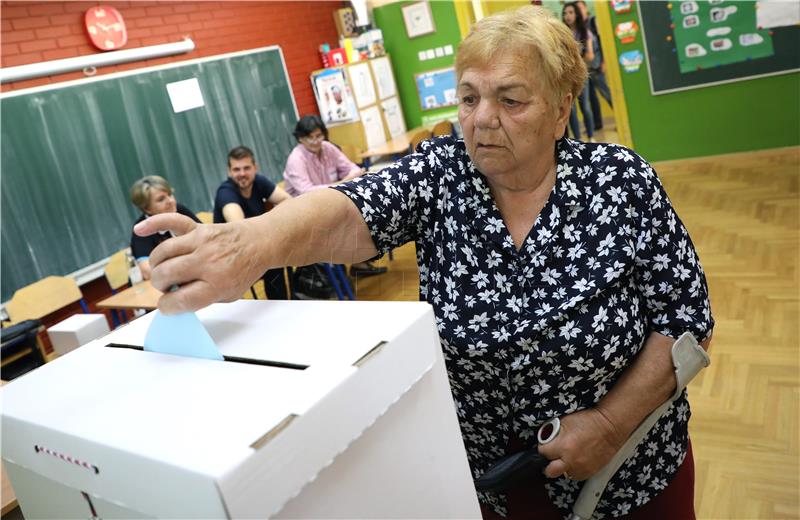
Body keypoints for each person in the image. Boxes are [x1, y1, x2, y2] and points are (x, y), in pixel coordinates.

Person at [137, 6, 713, 519]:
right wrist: (251, 243)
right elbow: (348, 210)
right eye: (468, 97)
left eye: (510, 100)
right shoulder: (442, 174)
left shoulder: (620, 182)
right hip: (494, 489)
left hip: (630, 480)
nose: (481, 118)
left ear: (562, 110)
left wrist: (610, 425)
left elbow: (686, 320)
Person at [283, 114, 386, 277]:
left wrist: (346, 180)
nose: (316, 141)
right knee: (345, 220)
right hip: (303, 212)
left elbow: (353, 169)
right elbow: (306, 192)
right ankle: (343, 269)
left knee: (364, 210)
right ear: (300, 139)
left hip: (328, 201)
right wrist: (341, 183)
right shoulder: (296, 159)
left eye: (319, 136)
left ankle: (359, 261)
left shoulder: (327, 147)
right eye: (310, 138)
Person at [213, 145, 292, 300]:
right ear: (229, 172)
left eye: (246, 168)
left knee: (282, 257)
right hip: (231, 260)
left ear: (255, 168)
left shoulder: (259, 182)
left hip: (255, 249)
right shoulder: (226, 192)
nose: (242, 174)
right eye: (236, 169)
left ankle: (284, 305)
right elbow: (239, 226)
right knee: (273, 262)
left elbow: (287, 201)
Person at [128, 175, 200, 280]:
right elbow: (147, 272)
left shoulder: (180, 210)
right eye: (161, 199)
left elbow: (206, 237)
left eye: (170, 194)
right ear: (147, 209)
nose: (170, 201)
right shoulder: (142, 228)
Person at [577, 0, 613, 131]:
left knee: (606, 92)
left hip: (596, 65)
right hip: (586, 69)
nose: (579, 10)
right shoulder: (579, 26)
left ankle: (619, 119)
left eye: (581, 7)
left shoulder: (592, 21)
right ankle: (597, 124)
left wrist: (603, 61)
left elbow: (601, 40)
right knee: (592, 98)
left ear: (586, 8)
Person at [563, 1, 595, 141]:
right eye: (565, 13)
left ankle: (591, 136)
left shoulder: (584, 32)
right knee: (571, 110)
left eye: (570, 12)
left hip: (581, 75)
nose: (567, 16)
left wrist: (576, 62)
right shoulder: (562, 34)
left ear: (576, 14)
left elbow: (590, 55)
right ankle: (577, 140)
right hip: (566, 77)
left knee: (585, 106)